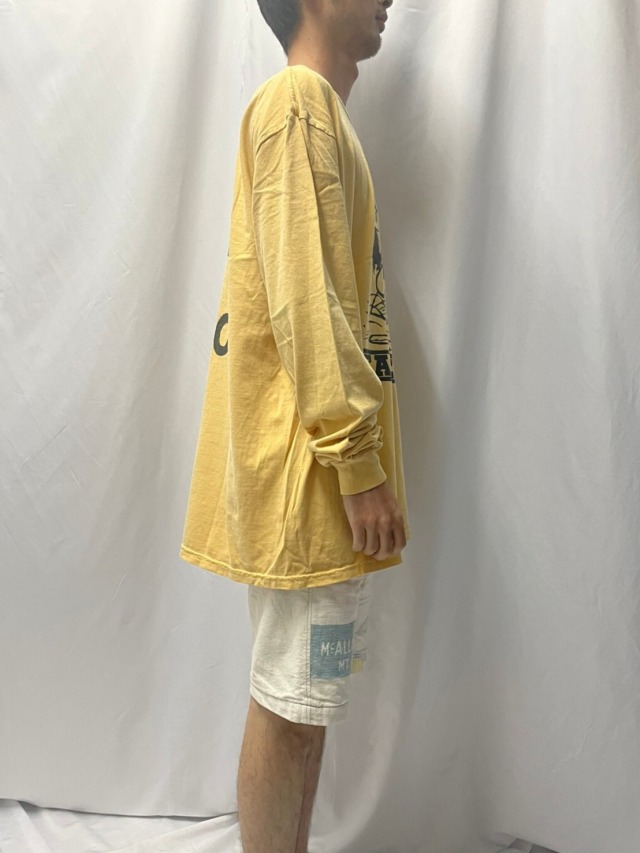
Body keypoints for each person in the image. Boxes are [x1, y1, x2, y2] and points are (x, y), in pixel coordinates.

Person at [178, 1, 407, 850]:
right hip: (309, 479)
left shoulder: (316, 114)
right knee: (290, 711)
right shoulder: (298, 104)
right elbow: (307, 305)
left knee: (304, 710)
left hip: (315, 479)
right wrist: (358, 463)